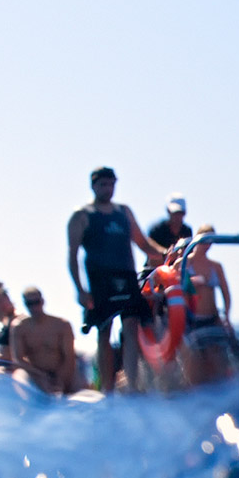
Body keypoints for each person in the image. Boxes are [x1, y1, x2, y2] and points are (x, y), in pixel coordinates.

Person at [67, 166, 166, 392]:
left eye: (111, 184)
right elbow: (72, 255)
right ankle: (107, 388)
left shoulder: (124, 212)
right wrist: (80, 290)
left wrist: (166, 253)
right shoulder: (82, 216)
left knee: (131, 325)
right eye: (103, 184)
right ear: (94, 186)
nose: (108, 188)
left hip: (126, 275)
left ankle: (131, 384)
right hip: (100, 279)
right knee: (104, 329)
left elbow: (142, 243)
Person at [177, 224, 234, 385]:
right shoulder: (184, 263)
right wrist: (192, 282)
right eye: (205, 239)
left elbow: (226, 294)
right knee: (195, 360)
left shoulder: (216, 266)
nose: (207, 244)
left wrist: (227, 316)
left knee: (218, 357)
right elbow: (174, 287)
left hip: (213, 317)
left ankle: (222, 394)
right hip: (192, 320)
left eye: (211, 241)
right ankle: (196, 396)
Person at [9, 288, 85, 394]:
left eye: (37, 302)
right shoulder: (19, 327)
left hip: (64, 370)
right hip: (35, 373)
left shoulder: (62, 325)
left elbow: (69, 357)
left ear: (42, 301)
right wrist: (41, 376)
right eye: (29, 304)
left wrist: (60, 379)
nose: (34, 307)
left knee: (79, 389)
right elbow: (18, 359)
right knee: (19, 377)